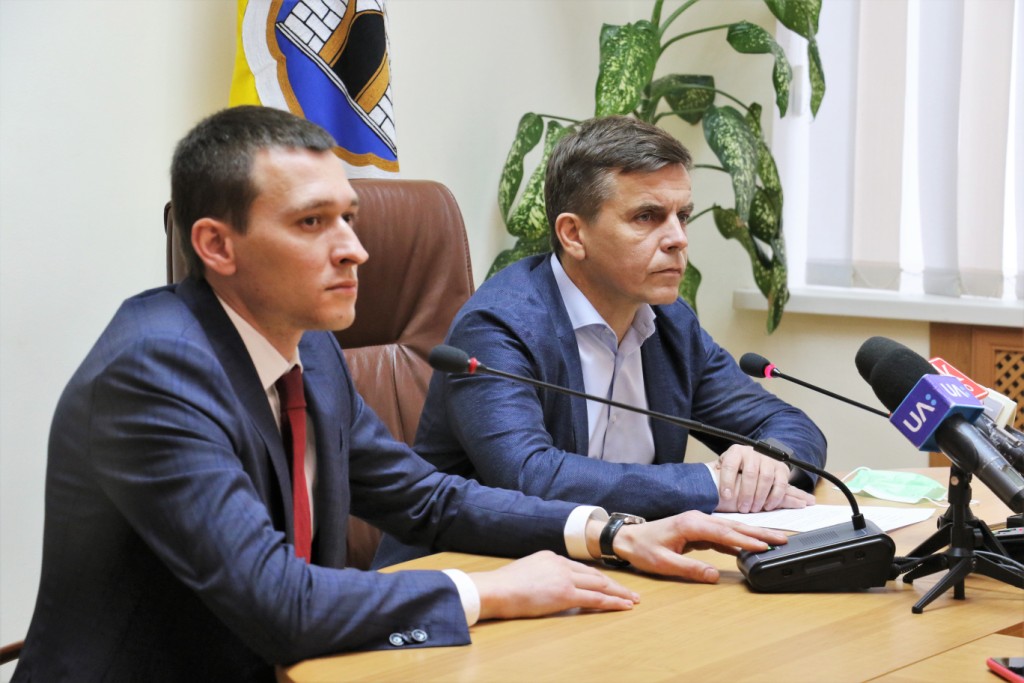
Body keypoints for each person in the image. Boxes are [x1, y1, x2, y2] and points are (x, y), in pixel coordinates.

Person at [13, 107, 786, 682]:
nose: (355, 249)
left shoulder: (309, 348)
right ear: (216, 244)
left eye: (349, 218)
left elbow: (426, 499)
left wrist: (609, 533)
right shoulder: (154, 373)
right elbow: (279, 602)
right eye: (312, 223)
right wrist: (487, 589)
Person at [375, 115, 826, 567]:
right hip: (467, 573)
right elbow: (530, 476)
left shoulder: (670, 323)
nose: (678, 239)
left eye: (683, 216)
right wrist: (714, 483)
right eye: (647, 217)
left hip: (621, 566)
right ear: (574, 235)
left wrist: (769, 463)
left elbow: (787, 424)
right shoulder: (499, 326)